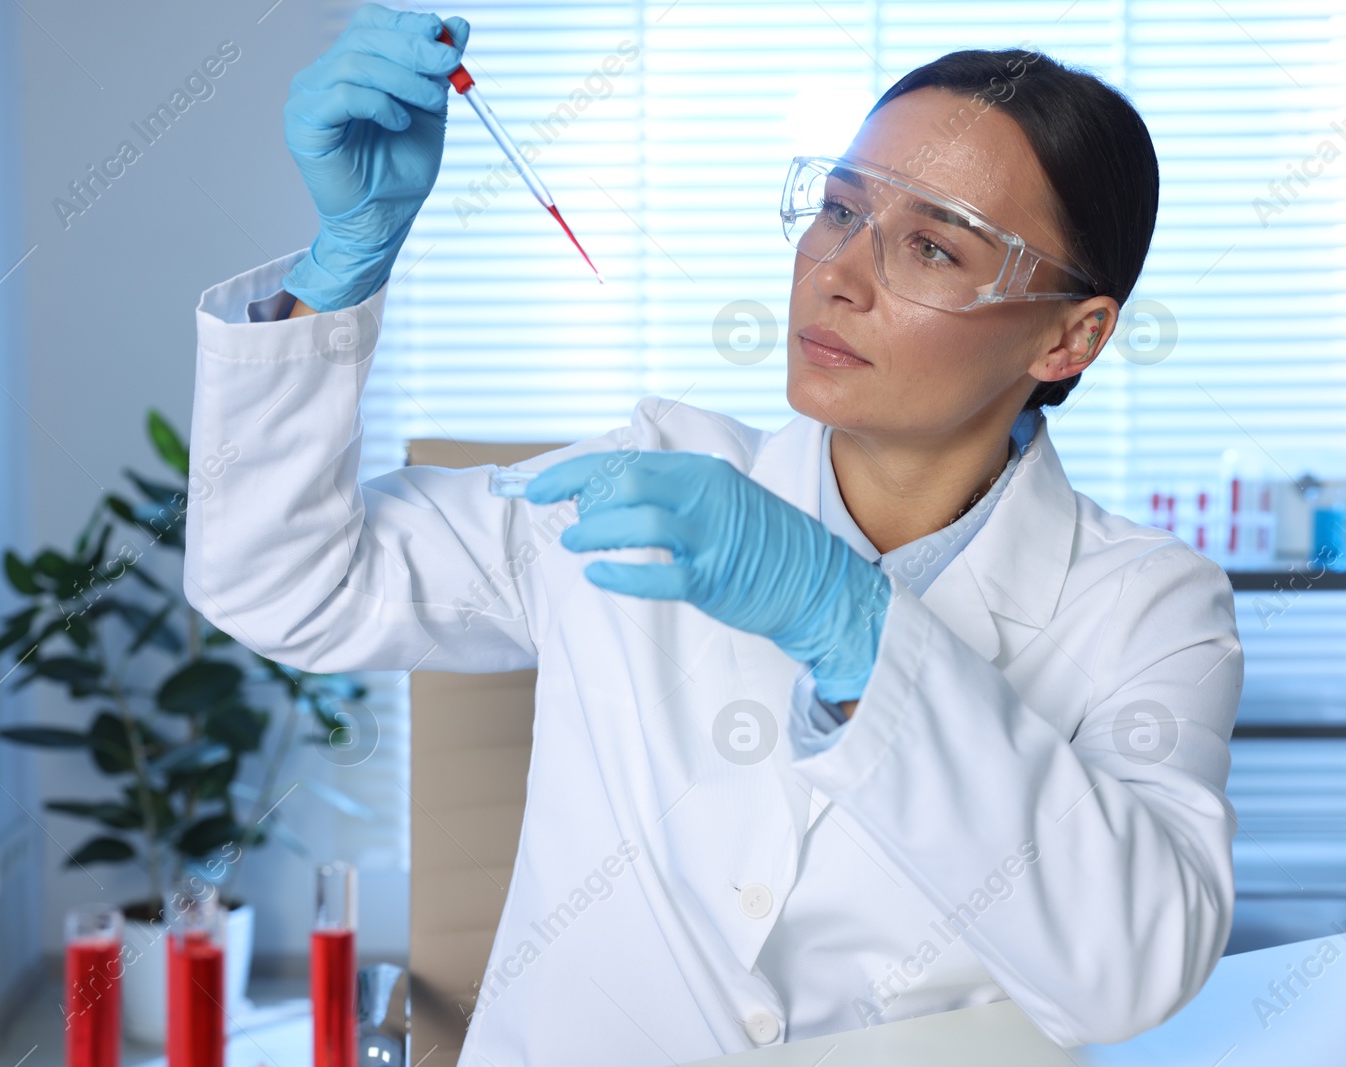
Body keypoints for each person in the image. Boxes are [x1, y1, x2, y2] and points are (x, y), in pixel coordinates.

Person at [182, 5, 1245, 1063]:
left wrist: (850, 622)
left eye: (931, 245)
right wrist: (342, 265)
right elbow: (287, 584)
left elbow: (1133, 969)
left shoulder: (1147, 606)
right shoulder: (653, 479)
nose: (836, 271)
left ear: (1070, 335)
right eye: (838, 207)